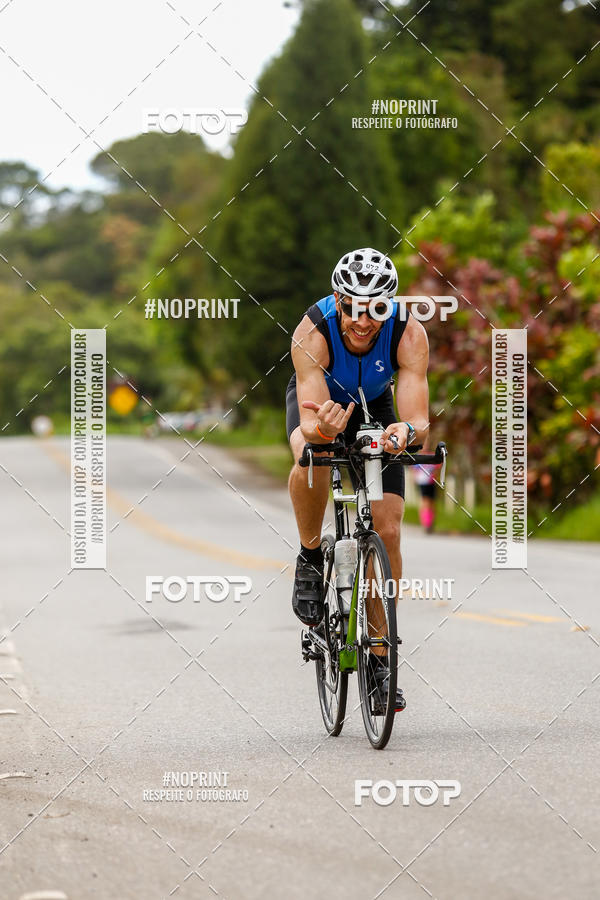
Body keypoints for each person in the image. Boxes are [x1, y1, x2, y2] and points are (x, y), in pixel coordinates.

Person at [286, 247, 430, 712]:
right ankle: (310, 556)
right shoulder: (313, 332)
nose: (364, 321)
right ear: (337, 300)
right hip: (323, 406)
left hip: (376, 406)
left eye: (375, 309)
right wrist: (322, 430)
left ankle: (381, 660)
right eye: (352, 307)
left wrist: (403, 432)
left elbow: (417, 418)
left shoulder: (408, 334)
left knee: (387, 530)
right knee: (312, 458)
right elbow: (311, 425)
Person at [415, 463, 439, 533]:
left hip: (432, 482)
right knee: (426, 502)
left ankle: (431, 523)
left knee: (432, 504)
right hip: (423, 483)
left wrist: (435, 475)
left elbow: (438, 467)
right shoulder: (418, 459)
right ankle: (426, 524)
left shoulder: (432, 455)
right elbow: (414, 470)